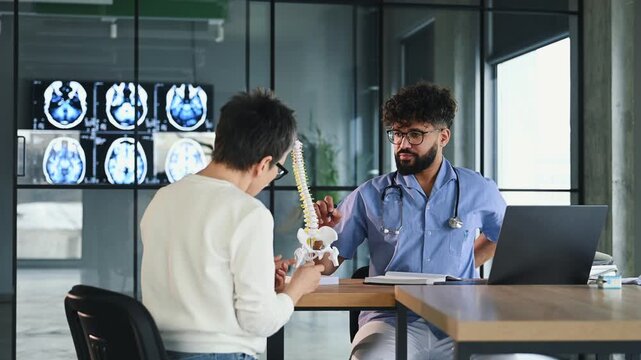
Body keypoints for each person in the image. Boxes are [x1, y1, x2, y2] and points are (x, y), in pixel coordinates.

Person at [314, 82, 507, 360]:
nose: (403, 144)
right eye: (397, 134)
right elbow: (326, 266)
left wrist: (461, 264)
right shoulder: (370, 195)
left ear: (443, 137)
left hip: (461, 319)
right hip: (390, 320)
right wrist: (322, 237)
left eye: (415, 134)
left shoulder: (478, 190)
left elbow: (503, 237)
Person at [141, 89, 325, 360]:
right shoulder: (249, 213)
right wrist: (297, 286)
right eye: (279, 169)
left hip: (157, 351)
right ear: (263, 164)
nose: (274, 176)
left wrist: (258, 274)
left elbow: (193, 276)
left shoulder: (163, 199)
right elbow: (259, 322)